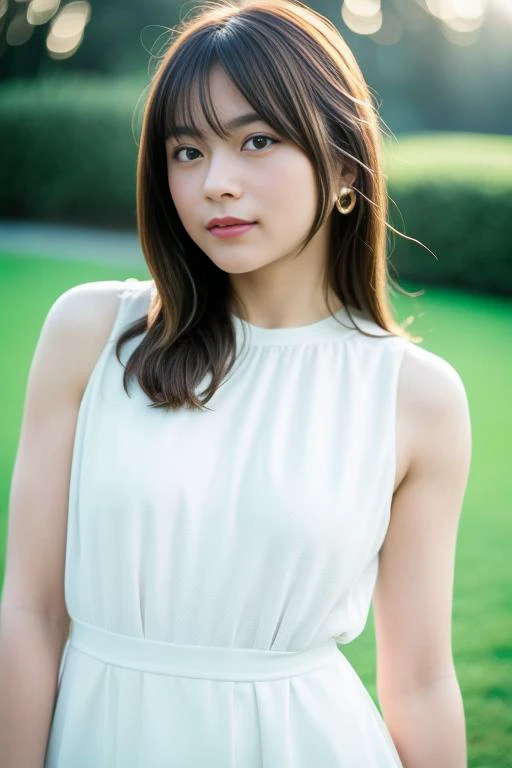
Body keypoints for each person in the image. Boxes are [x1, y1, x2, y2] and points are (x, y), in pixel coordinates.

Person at [0, 0, 471, 766]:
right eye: (187, 151)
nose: (216, 182)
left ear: (346, 167)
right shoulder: (92, 335)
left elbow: (419, 681)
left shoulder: (415, 396)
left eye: (256, 140)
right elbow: (29, 612)